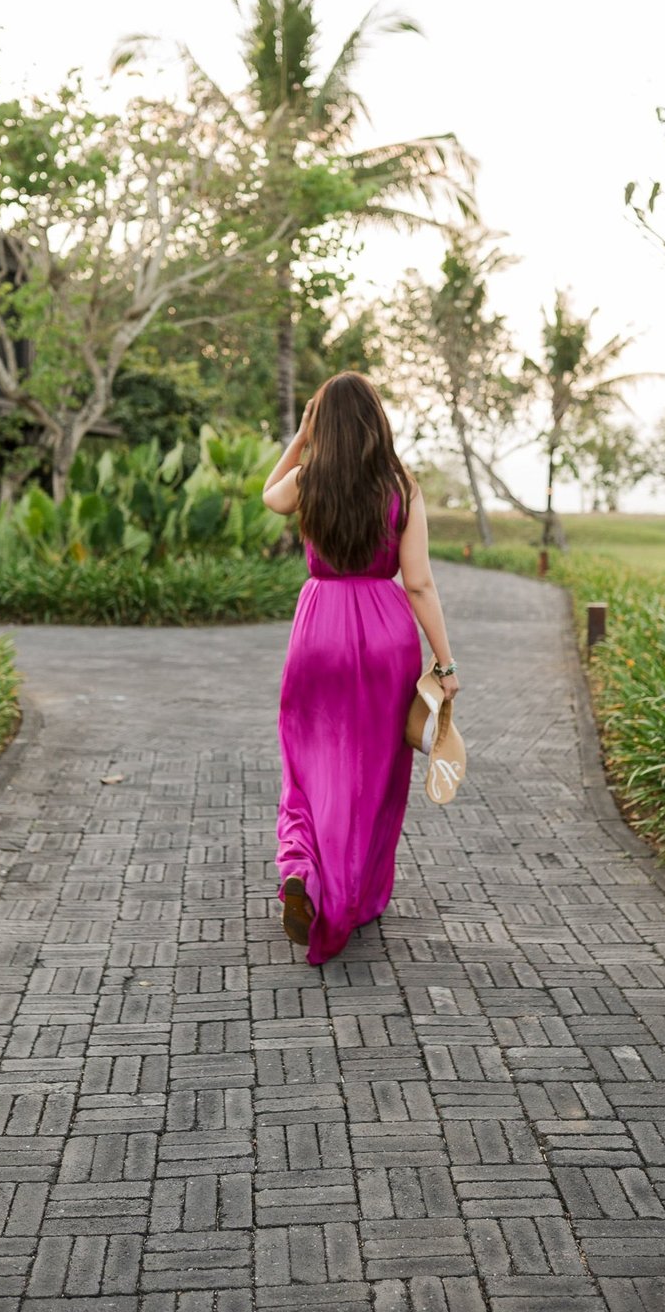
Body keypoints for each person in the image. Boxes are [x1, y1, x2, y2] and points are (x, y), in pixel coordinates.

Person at [262, 370, 460, 965]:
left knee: (308, 763)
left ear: (322, 423)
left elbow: (270, 495)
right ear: (377, 421)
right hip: (384, 634)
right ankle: (357, 895)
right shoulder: (401, 486)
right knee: (375, 772)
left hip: (318, 627)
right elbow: (419, 583)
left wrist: (301, 438)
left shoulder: (309, 479)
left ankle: (303, 869)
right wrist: (445, 662)